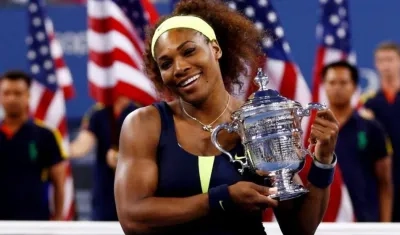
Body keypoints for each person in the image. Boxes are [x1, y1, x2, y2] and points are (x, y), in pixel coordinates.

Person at [114, 0, 340, 234]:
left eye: (189, 51)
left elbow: (299, 230)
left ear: (216, 49)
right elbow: (133, 218)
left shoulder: (257, 120)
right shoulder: (145, 124)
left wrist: (323, 162)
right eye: (166, 63)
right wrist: (222, 198)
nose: (179, 67)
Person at [322, 61, 392, 221]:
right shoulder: (313, 129)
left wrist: (385, 227)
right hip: (323, 222)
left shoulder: (371, 127)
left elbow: (385, 183)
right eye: (332, 82)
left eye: (343, 82)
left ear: (354, 86)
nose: (337, 88)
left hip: (364, 221)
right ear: (324, 86)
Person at [0, 70, 67, 220]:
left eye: (17, 93)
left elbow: (59, 182)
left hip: (34, 221)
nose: (11, 98)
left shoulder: (46, 134)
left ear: (28, 96)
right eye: (6, 93)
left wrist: (58, 221)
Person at [69, 95, 138, 221]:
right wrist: (63, 149)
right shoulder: (97, 113)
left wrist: (123, 159)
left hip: (136, 191)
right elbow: (82, 145)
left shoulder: (143, 110)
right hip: (105, 192)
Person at [361, 41, 400, 221]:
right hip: (382, 179)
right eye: (381, 60)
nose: (386, 65)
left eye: (390, 60)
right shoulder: (368, 104)